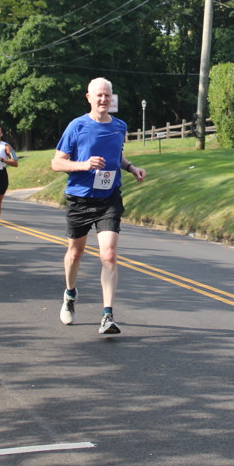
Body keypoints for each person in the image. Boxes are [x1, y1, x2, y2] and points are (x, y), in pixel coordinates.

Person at [51, 77, 145, 334]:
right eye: (99, 95)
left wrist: (131, 167)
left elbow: (117, 155)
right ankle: (70, 294)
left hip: (109, 198)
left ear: (111, 98)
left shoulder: (119, 126)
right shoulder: (77, 126)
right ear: (89, 98)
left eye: (107, 95)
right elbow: (57, 162)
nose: (103, 99)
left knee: (109, 255)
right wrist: (84, 165)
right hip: (80, 198)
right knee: (75, 253)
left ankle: (107, 315)